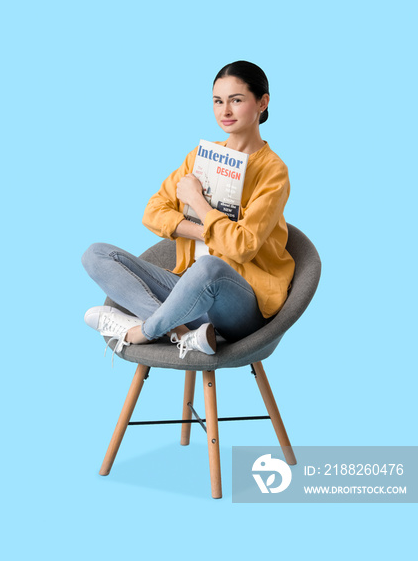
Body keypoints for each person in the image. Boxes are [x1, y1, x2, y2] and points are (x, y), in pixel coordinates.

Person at [81, 60, 295, 361]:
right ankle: (182, 335)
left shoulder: (273, 171)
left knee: (209, 268)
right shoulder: (199, 157)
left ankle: (141, 331)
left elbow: (243, 246)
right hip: (187, 294)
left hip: (241, 305)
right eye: (218, 101)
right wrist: (203, 232)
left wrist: (198, 201)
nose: (225, 111)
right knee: (96, 254)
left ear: (262, 102)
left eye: (237, 100)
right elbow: (153, 211)